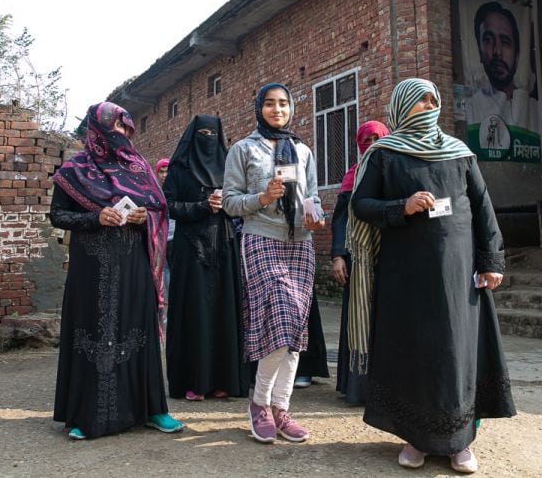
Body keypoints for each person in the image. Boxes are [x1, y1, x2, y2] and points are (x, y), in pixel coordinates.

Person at [349, 78, 515, 473]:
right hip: (406, 274)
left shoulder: (460, 153)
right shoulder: (385, 154)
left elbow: (482, 208)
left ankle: (462, 442)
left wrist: (491, 260)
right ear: (402, 107)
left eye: (432, 101)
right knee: (415, 352)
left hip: (458, 273)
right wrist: (400, 207)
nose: (427, 107)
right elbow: (361, 204)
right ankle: (416, 439)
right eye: (419, 102)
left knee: (458, 353)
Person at [50, 101, 183, 440]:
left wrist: (144, 217)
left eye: (126, 128)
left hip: (133, 263)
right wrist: (95, 217)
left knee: (138, 329)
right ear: (96, 131)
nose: (121, 135)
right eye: (114, 128)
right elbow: (58, 216)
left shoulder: (139, 168)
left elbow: (159, 209)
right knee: (90, 331)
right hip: (90, 267)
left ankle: (153, 409)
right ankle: (83, 415)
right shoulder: (73, 170)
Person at [222, 82, 324, 444]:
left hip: (301, 242)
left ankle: (282, 408)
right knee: (279, 315)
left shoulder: (302, 151)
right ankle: (260, 403)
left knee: (295, 326)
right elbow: (230, 202)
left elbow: (312, 196)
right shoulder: (243, 149)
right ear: (259, 108)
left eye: (283, 104)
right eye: (269, 103)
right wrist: (263, 196)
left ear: (291, 108)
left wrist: (316, 215)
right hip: (261, 237)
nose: (277, 109)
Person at [162, 115, 249, 401]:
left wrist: (226, 205)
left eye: (213, 133)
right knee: (194, 311)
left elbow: (242, 203)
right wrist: (201, 206)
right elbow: (169, 205)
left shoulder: (229, 166)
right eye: (203, 132)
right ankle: (194, 381)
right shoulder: (179, 168)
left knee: (223, 311)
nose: (208, 137)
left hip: (224, 244)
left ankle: (222, 380)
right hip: (190, 248)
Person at [330, 120, 389, 404]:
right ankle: (356, 386)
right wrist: (338, 255)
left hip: (389, 256)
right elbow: (340, 219)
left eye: (378, 138)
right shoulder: (351, 176)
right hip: (356, 258)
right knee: (356, 319)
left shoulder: (394, 170)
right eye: (367, 139)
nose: (372, 143)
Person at [465, 1, 540, 133]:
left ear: (517, 55)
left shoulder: (533, 110)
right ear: (479, 50)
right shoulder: (471, 108)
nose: (497, 51)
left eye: (505, 42)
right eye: (488, 40)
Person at [155, 158, 174, 321]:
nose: (164, 175)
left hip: (176, 237)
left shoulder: (176, 189)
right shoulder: (155, 192)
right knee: (164, 273)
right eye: (161, 171)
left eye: (167, 170)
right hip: (162, 239)